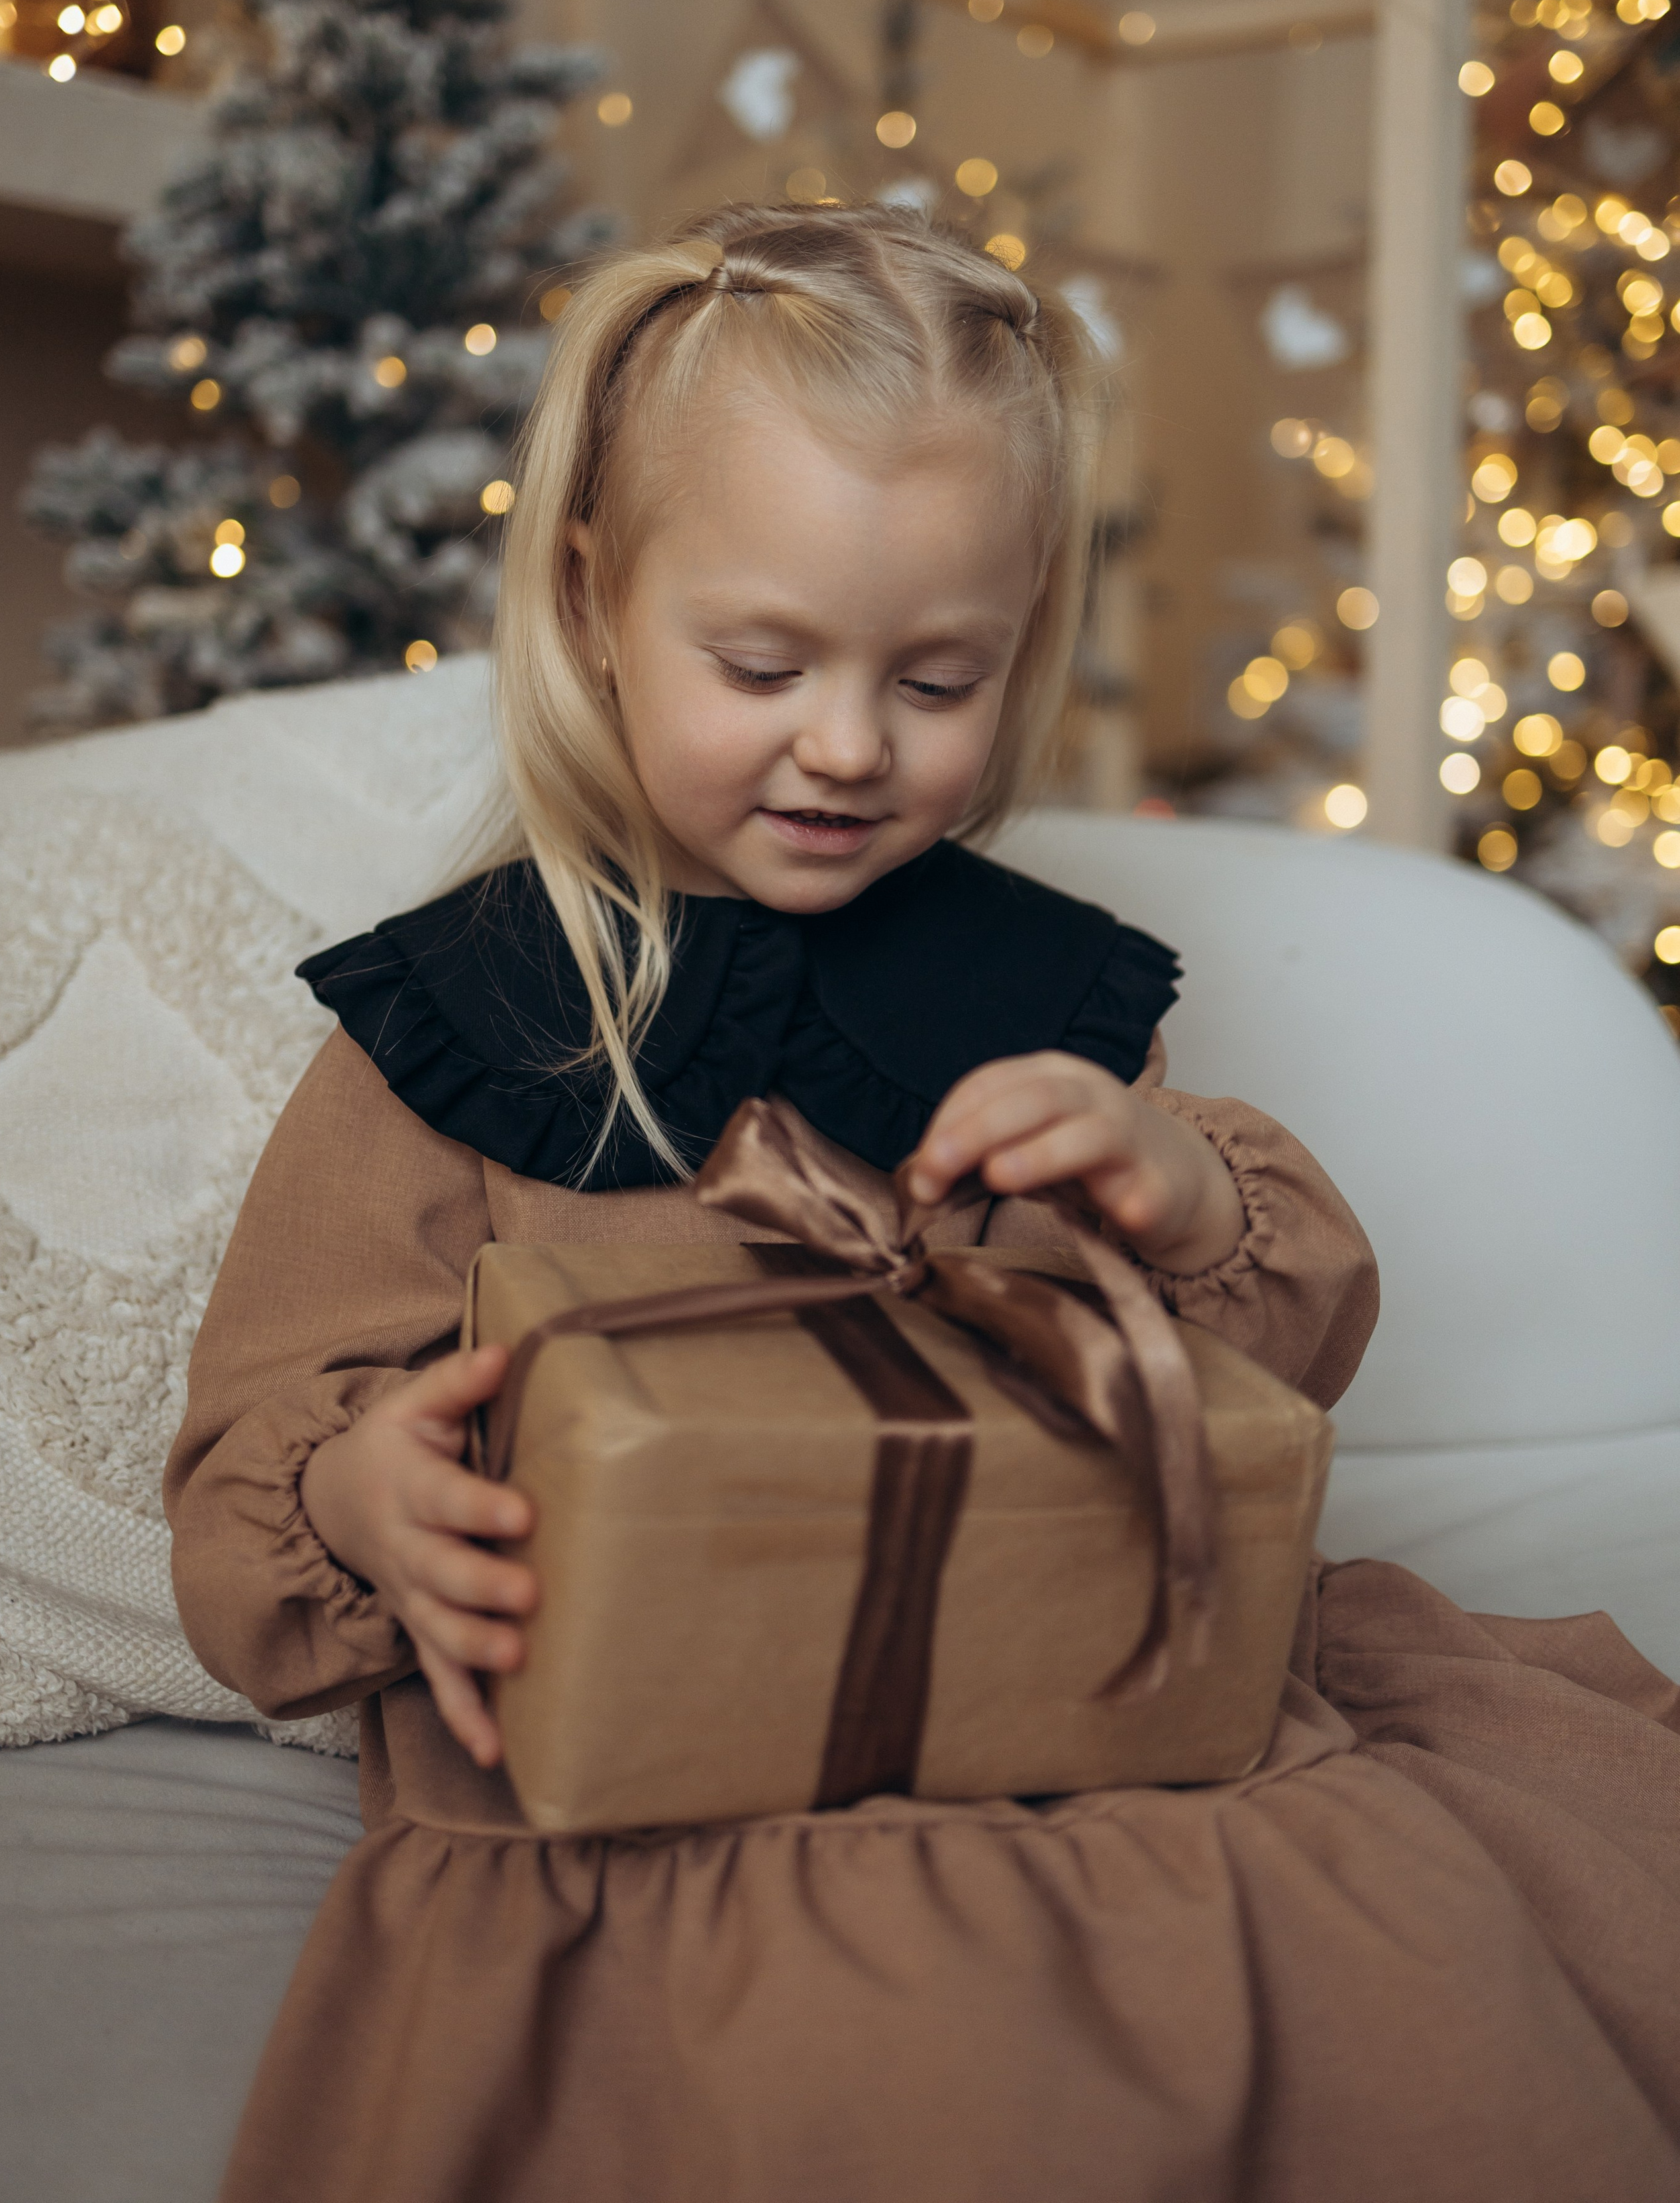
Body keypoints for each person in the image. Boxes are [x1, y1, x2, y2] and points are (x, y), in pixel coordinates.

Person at [166, 201, 1680, 2203]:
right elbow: (259, 1457)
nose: (850, 745)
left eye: (940, 678)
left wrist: (1172, 1192)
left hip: (1086, 1698)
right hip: (675, 1774)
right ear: (594, 599)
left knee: (1389, 1992)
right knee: (886, 2072)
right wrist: (370, 1502)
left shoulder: (1041, 997)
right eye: (763, 663)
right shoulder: (461, 1024)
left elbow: (1255, 1380)